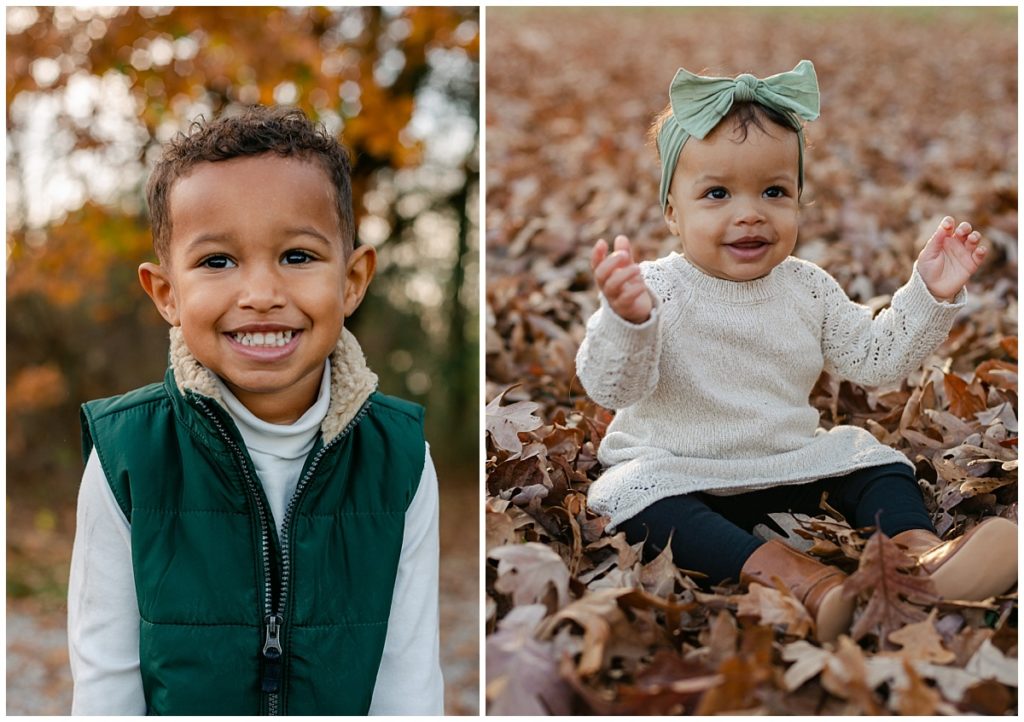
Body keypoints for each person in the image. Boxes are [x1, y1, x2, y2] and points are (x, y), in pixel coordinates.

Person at [576, 60, 1017, 643]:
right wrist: (628, 322)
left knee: (877, 462)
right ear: (673, 214)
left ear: (799, 200)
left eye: (774, 191)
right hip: (679, 468)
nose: (750, 211)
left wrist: (928, 293)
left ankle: (919, 556)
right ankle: (797, 580)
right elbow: (612, 390)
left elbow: (874, 359)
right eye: (717, 193)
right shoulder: (657, 288)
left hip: (787, 460)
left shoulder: (806, 286)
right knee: (625, 497)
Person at [67, 106, 444, 714]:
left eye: (297, 256)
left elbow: (409, 682)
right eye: (217, 261)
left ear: (352, 280)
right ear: (167, 293)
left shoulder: (400, 458)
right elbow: (105, 679)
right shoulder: (127, 456)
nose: (263, 295)